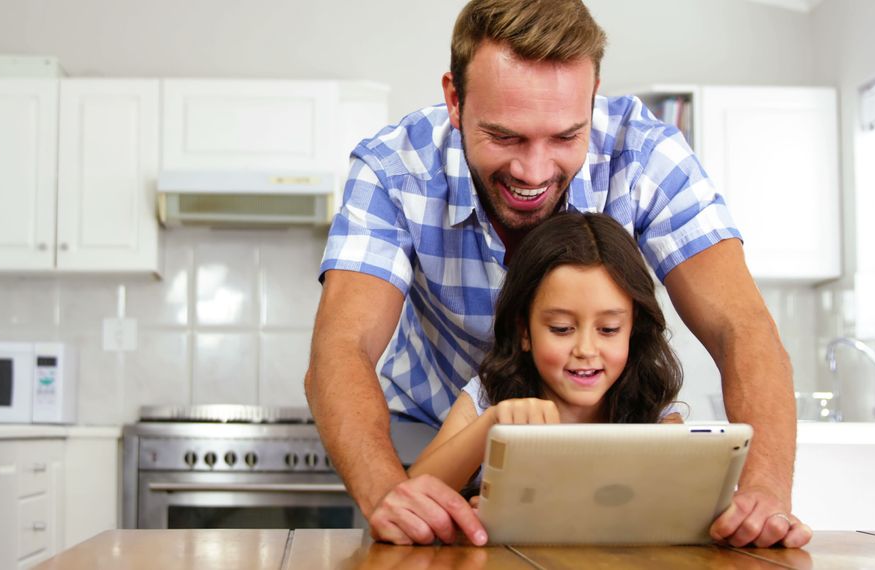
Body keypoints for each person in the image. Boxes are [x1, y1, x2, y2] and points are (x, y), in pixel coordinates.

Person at [305, 0, 811, 549]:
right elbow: (343, 345)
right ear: (455, 99)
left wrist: (762, 491)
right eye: (505, 136)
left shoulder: (646, 156)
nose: (534, 171)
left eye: (566, 137)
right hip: (426, 437)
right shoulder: (393, 168)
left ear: (593, 99)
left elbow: (742, 326)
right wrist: (388, 493)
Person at [407, 211, 685, 494]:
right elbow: (413, 496)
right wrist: (490, 426)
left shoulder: (656, 412)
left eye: (609, 329)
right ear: (524, 332)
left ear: (633, 329)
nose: (586, 350)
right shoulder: (486, 400)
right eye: (562, 329)